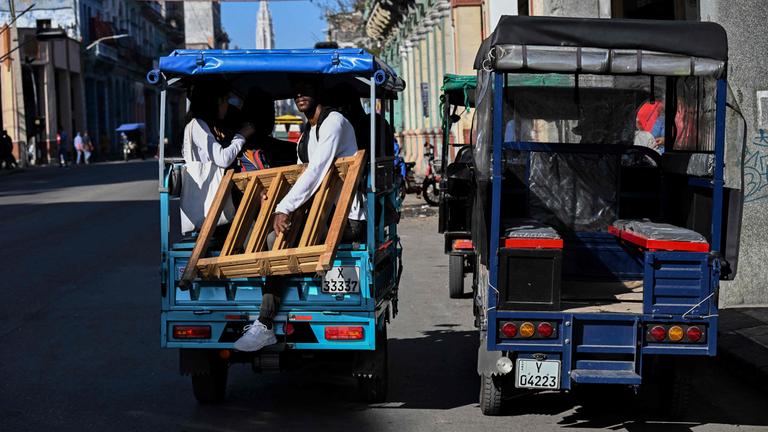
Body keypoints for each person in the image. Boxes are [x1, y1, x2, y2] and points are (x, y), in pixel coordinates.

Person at [234, 78, 363, 352]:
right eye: (296, 92)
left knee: (279, 243)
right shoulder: (307, 132)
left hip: (344, 219)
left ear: (319, 92)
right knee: (271, 238)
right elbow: (298, 173)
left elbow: (316, 170)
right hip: (317, 214)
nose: (300, 95)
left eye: (307, 89)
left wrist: (285, 208)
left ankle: (265, 323)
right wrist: (276, 200)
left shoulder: (334, 122)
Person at [183, 83, 256, 175]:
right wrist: (241, 136)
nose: (228, 106)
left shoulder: (210, 126)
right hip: (206, 189)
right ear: (218, 101)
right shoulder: (198, 125)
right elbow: (223, 159)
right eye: (227, 100)